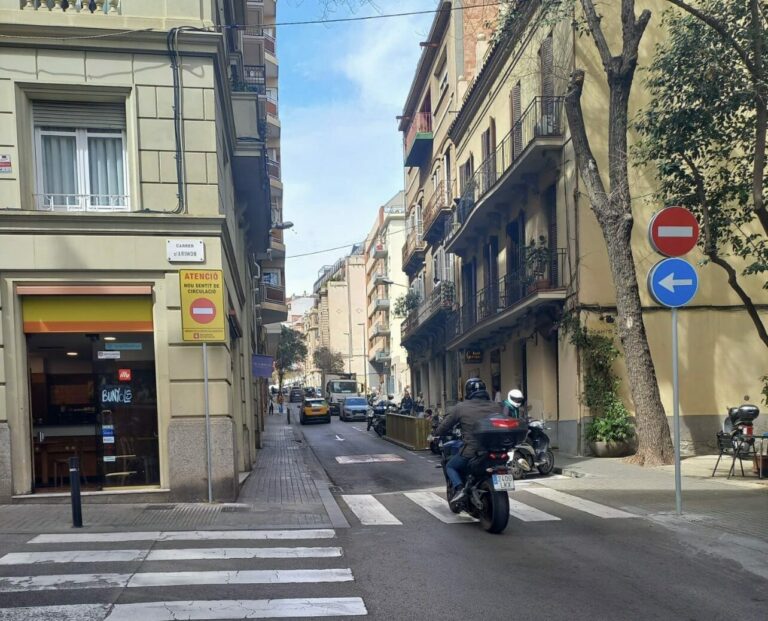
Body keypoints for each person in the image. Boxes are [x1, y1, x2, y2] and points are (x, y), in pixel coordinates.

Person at [435, 378, 502, 505]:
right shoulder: (496, 406)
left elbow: (444, 426)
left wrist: (437, 433)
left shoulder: (461, 407)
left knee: (450, 466)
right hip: (496, 449)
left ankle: (460, 489)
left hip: (473, 451)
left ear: (468, 392)